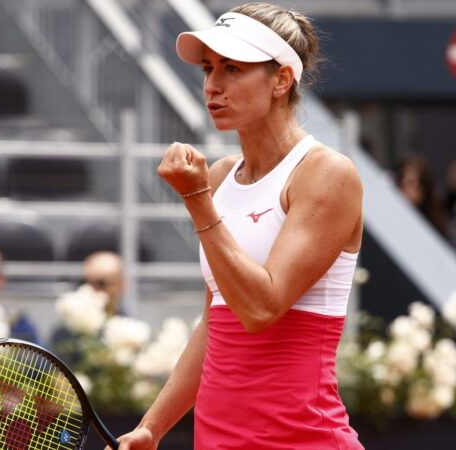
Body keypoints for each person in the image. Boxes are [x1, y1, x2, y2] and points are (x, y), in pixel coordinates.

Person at [113, 3, 364, 449]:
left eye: (232, 69)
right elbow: (217, 320)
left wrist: (197, 201)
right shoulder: (219, 177)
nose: (212, 86)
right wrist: (152, 427)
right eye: (209, 69)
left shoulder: (326, 173)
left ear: (282, 79)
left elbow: (261, 308)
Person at [393, 153, 447, 236]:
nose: (405, 190)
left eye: (410, 183)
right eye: (402, 183)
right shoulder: (393, 220)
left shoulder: (435, 222)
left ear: (424, 187)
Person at [81, 250, 126, 317]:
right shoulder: (69, 324)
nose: (92, 289)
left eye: (101, 283)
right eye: (85, 283)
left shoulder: (130, 325)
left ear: (120, 285)